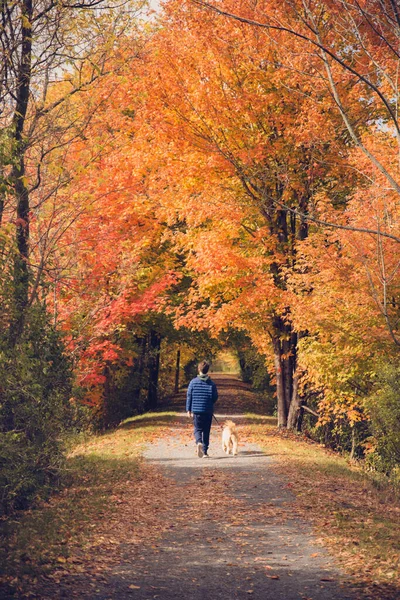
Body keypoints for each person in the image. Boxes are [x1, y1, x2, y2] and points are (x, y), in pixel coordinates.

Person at [186, 360, 218, 458]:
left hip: (196, 411)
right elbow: (215, 397)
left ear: (199, 369)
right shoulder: (211, 384)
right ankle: (205, 452)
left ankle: (198, 442)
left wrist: (188, 409)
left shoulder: (193, 382)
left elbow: (189, 396)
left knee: (197, 429)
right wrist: (210, 403)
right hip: (208, 411)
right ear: (207, 370)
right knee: (206, 431)